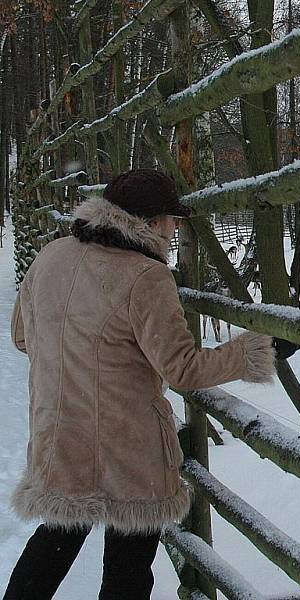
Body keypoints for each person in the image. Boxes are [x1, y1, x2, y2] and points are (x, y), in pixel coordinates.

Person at [5, 169, 277, 599]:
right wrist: (253, 352)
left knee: (52, 547)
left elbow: (23, 336)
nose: (175, 227)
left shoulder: (52, 256)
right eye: (171, 218)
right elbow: (182, 368)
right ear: (148, 222)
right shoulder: (145, 277)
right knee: (128, 571)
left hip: (59, 432)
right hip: (127, 444)